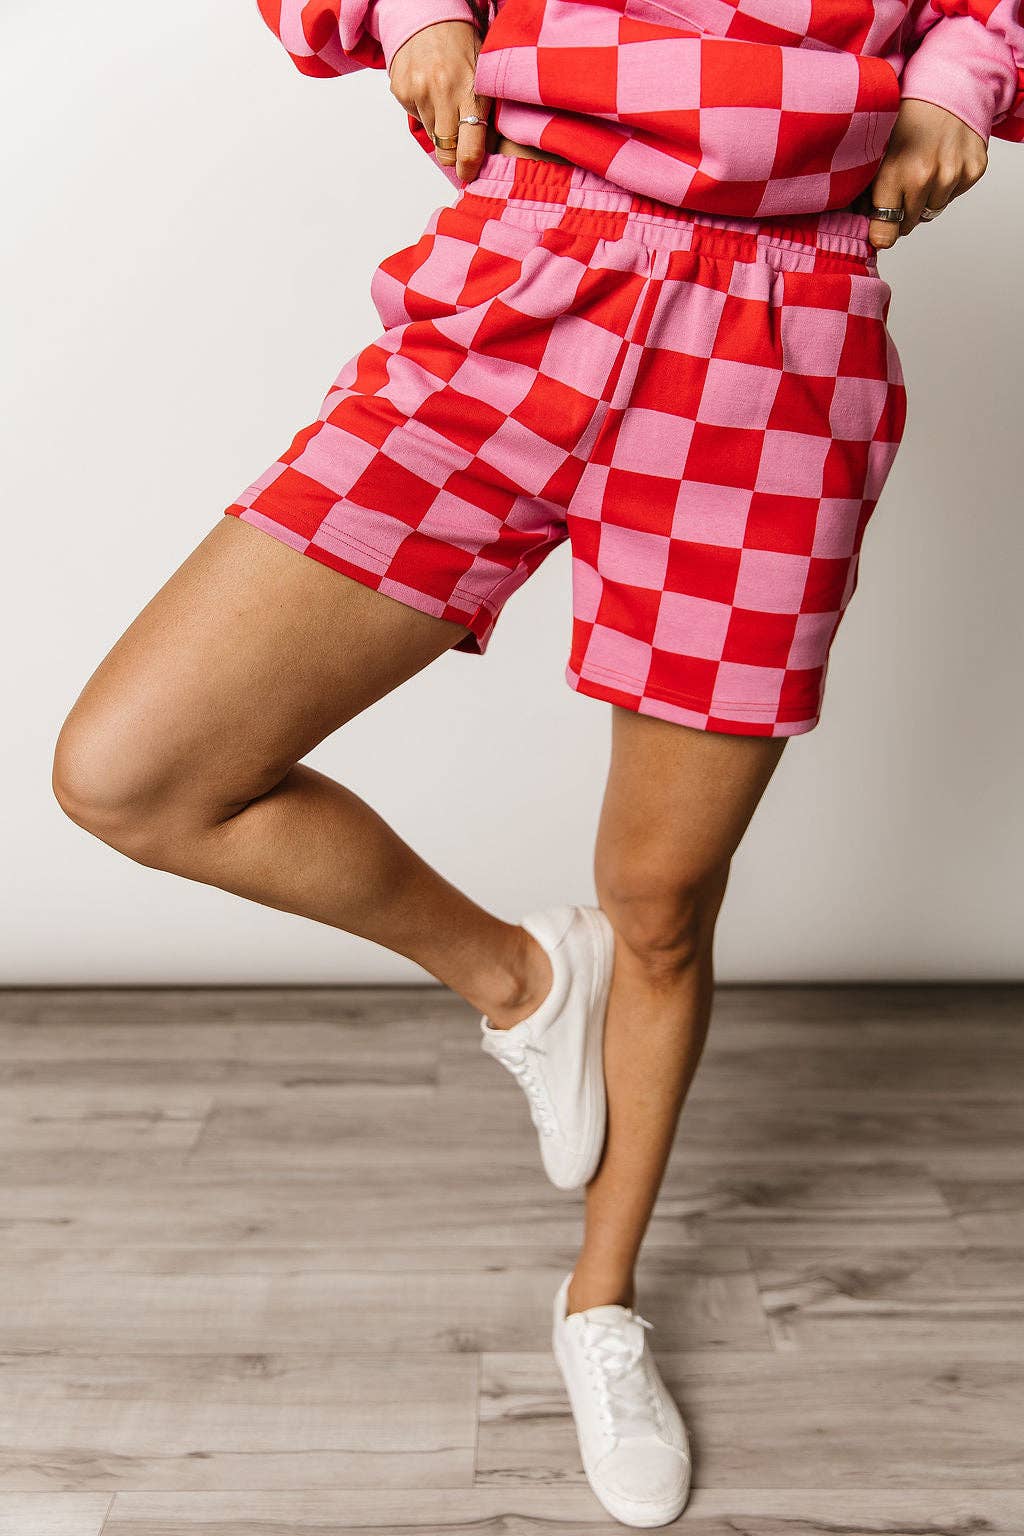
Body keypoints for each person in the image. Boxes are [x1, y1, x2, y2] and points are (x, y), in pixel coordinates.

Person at [51, 0, 1022, 1525]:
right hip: (525, 272)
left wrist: (964, 74)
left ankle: (602, 1305)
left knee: (662, 902)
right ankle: (520, 979)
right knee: (134, 770)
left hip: (781, 333)